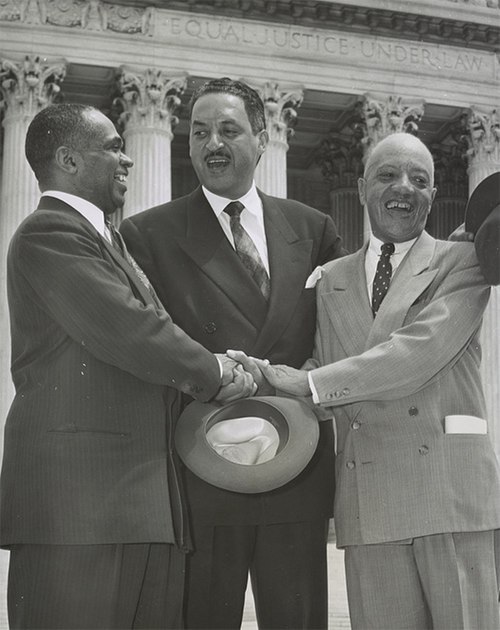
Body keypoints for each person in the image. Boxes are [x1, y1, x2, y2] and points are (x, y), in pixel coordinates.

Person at [0, 103, 254, 630]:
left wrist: (216, 362)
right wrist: (215, 371)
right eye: (112, 146)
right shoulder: (49, 233)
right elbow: (131, 331)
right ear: (69, 160)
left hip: (137, 506)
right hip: (81, 512)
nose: (128, 158)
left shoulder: (106, 240)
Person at [234, 132, 500, 629]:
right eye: (388, 175)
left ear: (433, 196)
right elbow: (323, 372)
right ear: (360, 188)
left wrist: (309, 384)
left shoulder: (463, 262)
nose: (404, 188)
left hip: (448, 492)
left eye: (420, 180)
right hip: (370, 498)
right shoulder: (329, 277)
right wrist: (266, 380)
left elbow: (417, 354)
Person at [120, 77, 345, 629]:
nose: (212, 144)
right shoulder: (147, 234)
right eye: (199, 133)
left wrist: (315, 374)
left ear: (262, 138)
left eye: (227, 130)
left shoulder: (313, 229)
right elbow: (146, 345)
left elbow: (341, 334)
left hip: (296, 463)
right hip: (204, 470)